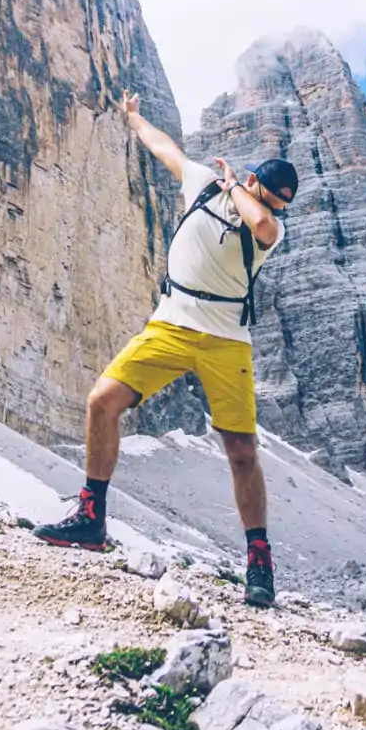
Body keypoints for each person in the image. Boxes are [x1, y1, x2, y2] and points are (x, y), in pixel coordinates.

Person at [33, 90, 298, 608]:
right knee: (101, 402)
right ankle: (91, 518)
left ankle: (259, 563)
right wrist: (134, 119)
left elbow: (262, 225)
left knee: (242, 453)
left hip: (226, 341)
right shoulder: (203, 186)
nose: (274, 208)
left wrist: (242, 192)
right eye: (270, 195)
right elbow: (165, 150)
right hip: (171, 324)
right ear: (255, 182)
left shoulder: (271, 223)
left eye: (281, 203)